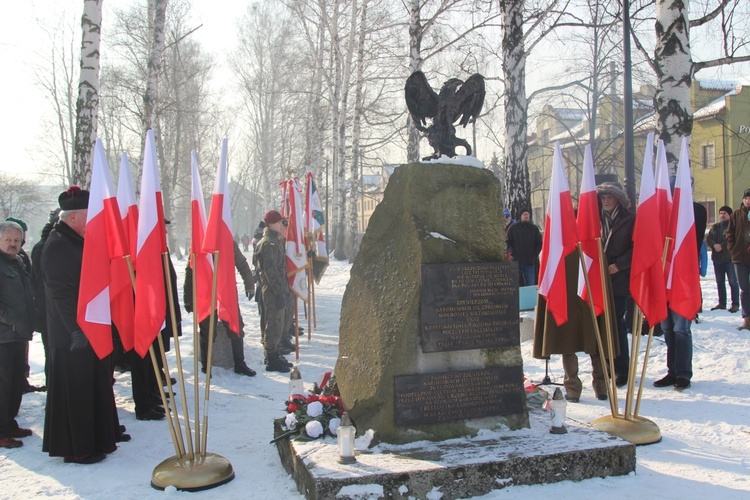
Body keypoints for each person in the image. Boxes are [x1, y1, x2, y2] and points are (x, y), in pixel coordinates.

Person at [42, 187, 123, 464]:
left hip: (91, 327)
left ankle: (100, 436)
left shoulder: (78, 240)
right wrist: (75, 329)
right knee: (76, 389)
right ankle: (78, 447)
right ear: (74, 216)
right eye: (90, 216)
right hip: (70, 334)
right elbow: (60, 293)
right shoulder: (58, 244)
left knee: (96, 384)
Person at [184, 240, 257, 377]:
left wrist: (249, 284)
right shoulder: (200, 241)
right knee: (206, 329)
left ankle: (240, 363)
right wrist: (189, 298)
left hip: (226, 292)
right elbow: (190, 270)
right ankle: (206, 365)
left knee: (236, 326)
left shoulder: (228, 241)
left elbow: (242, 264)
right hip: (206, 293)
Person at [0, 220, 35, 449]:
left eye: (16, 240)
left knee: (15, 383)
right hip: (3, 336)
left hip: (18, 334)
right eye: (8, 240)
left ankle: (9, 423)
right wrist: (12, 318)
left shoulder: (18, 261)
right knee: (2, 385)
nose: (13, 244)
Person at [597, 182, 634, 388]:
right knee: (602, 323)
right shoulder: (594, 218)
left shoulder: (629, 219)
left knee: (618, 323)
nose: (606, 201)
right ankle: (606, 366)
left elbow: (636, 248)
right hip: (597, 278)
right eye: (603, 197)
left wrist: (619, 265)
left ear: (618, 199)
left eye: (610, 197)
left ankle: (621, 369)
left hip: (619, 278)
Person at [255, 210, 294, 373]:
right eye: (279, 222)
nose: (281, 225)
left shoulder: (274, 241)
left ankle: (275, 351)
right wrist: (278, 292)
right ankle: (270, 357)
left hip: (278, 289)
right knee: (273, 322)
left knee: (278, 322)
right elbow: (270, 271)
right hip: (272, 290)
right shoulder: (268, 243)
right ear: (272, 223)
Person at [725, 189, 750, 331]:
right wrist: (732, 248)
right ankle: (747, 319)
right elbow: (730, 232)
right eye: (746, 198)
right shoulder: (736, 214)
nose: (748, 201)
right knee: (744, 288)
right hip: (739, 257)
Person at [706, 206, 739, 312]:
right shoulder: (715, 227)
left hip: (729, 259)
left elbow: (733, 239)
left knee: (733, 282)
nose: (722, 215)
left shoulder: (734, 227)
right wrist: (714, 245)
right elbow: (708, 238)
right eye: (720, 213)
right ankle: (722, 303)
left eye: (724, 213)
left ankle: (735, 304)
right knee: (719, 282)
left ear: (729, 214)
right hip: (717, 259)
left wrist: (721, 245)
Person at [506, 209, 542, 286]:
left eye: (527, 214)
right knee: (515, 284)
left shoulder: (534, 229)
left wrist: (535, 254)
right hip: (516, 261)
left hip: (529, 262)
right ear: (520, 216)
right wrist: (512, 252)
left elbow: (539, 243)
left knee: (530, 284)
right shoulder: (513, 228)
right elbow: (508, 241)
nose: (526, 216)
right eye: (524, 214)